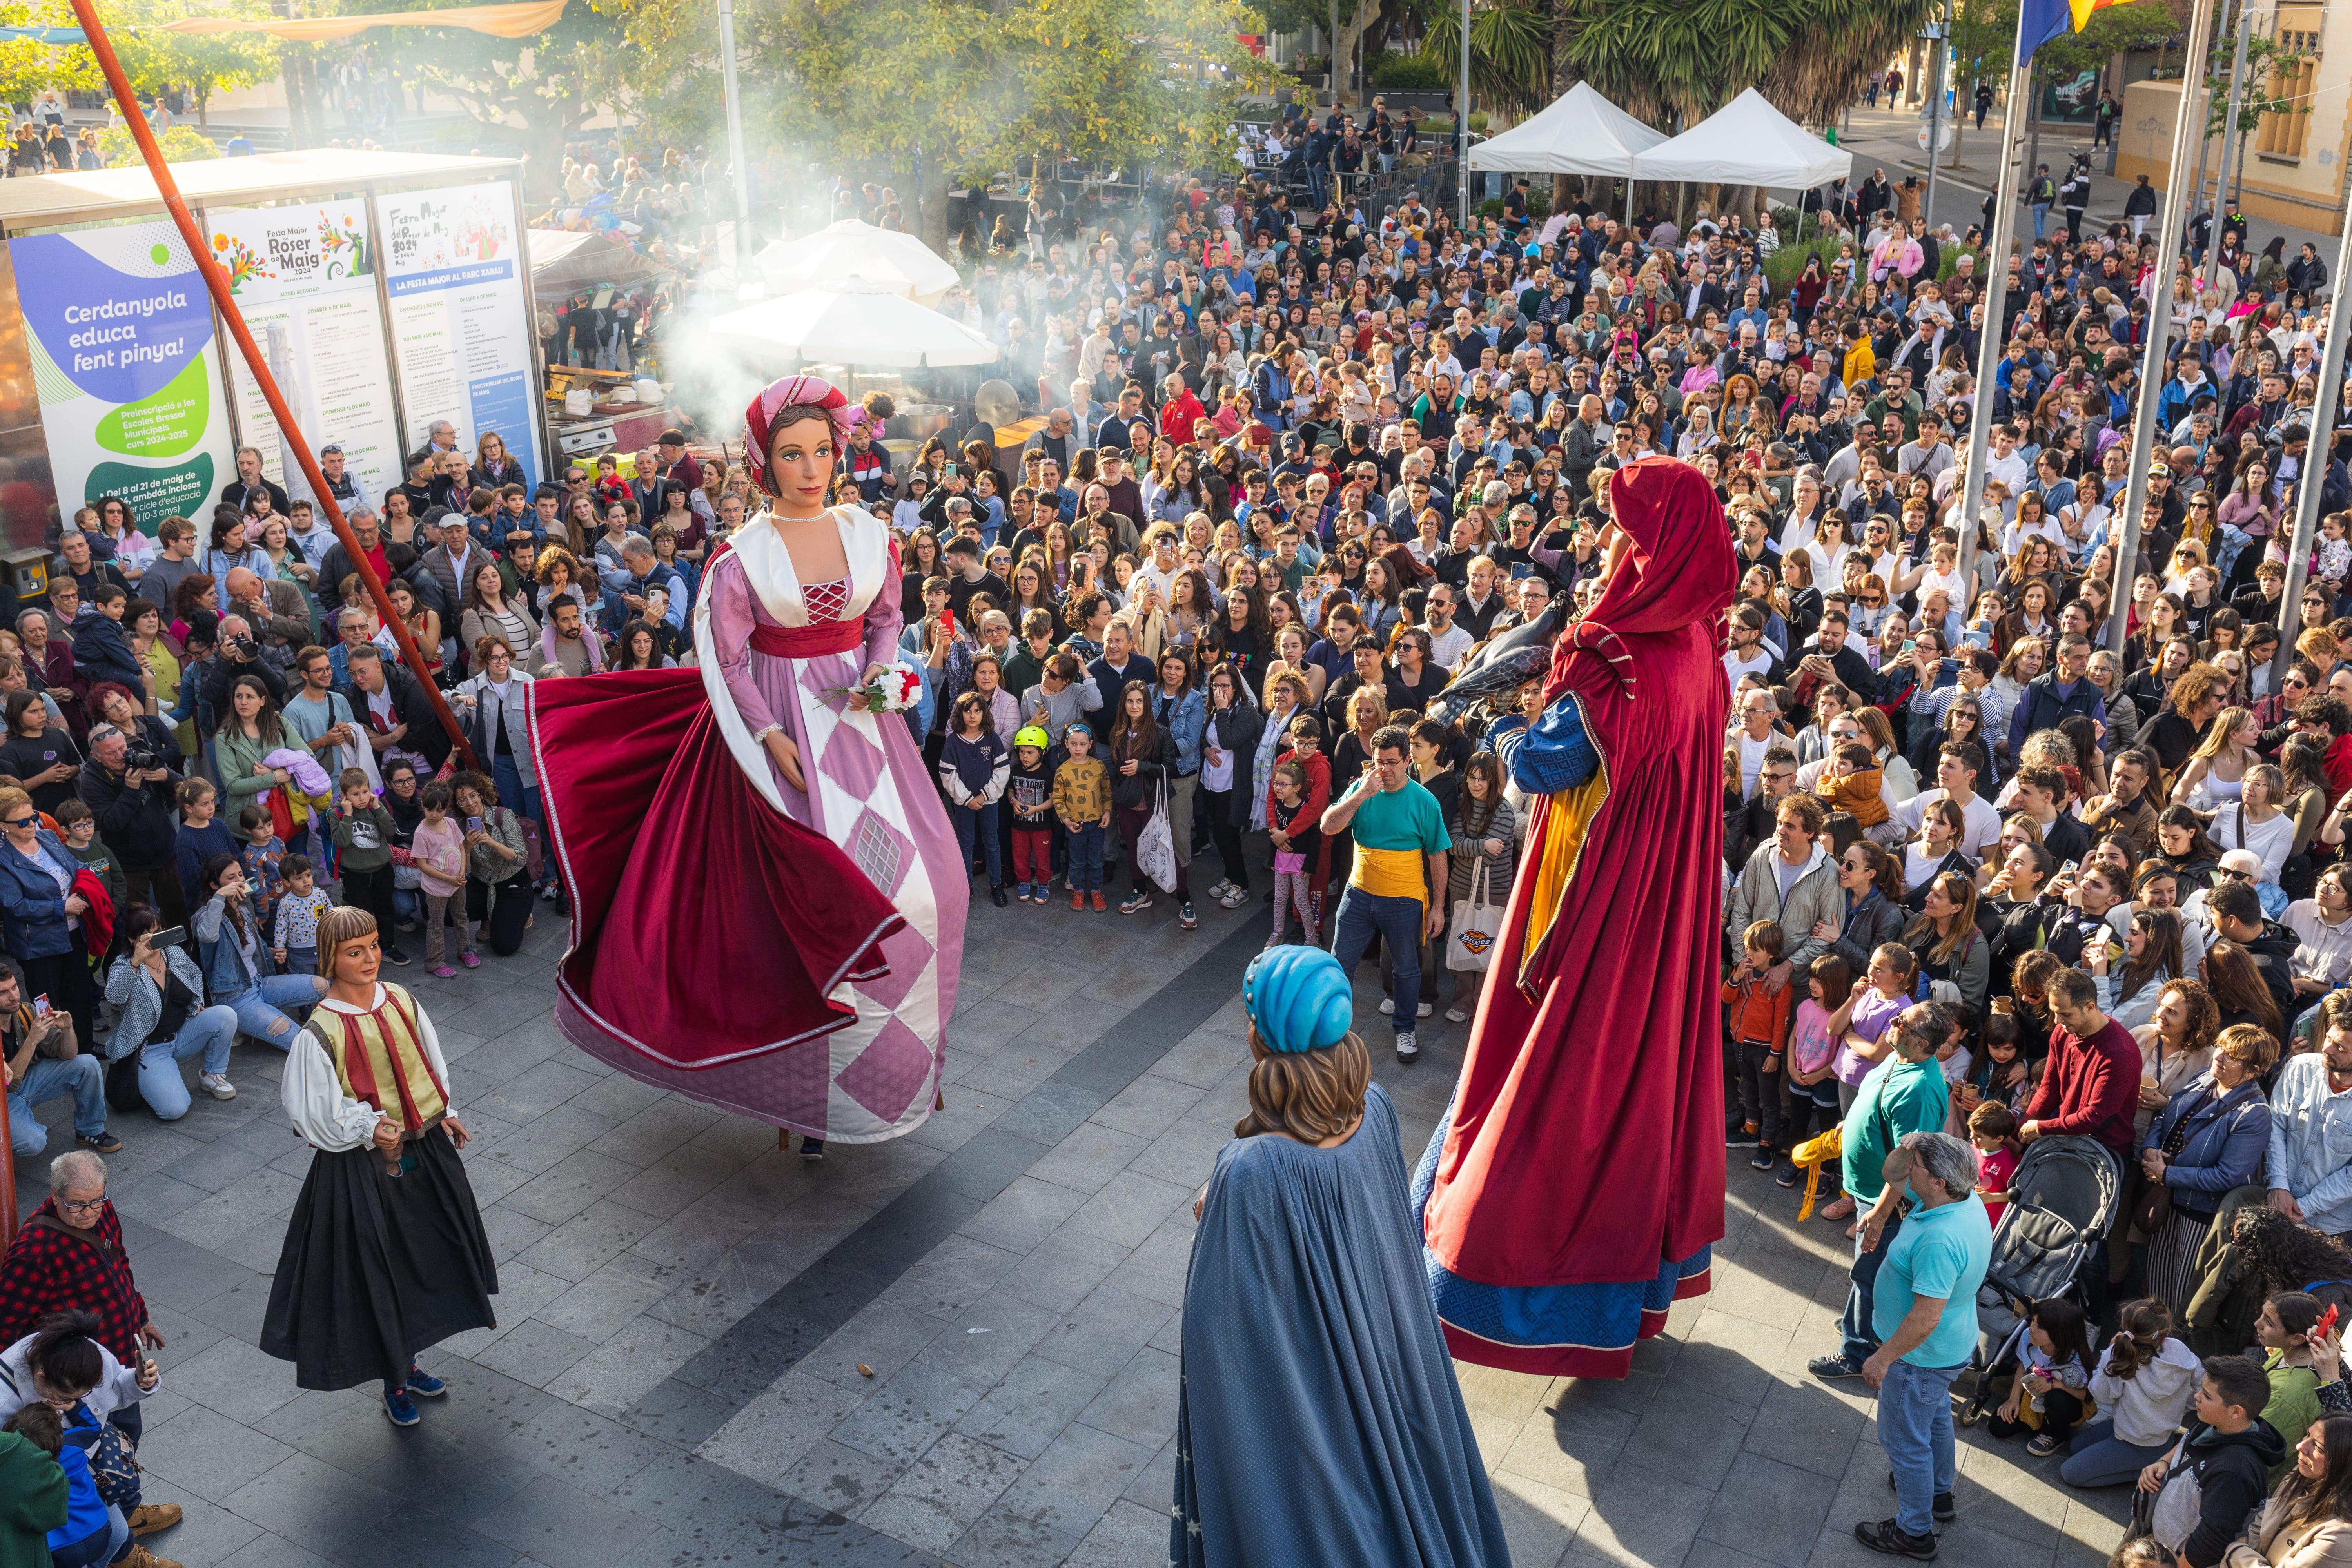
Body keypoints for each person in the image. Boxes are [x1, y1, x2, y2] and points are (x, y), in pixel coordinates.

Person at [528, 375, 961, 1157]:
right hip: (785, 729)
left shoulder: (871, 533)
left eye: (823, 450)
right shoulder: (740, 556)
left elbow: (890, 617)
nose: (811, 467)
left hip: (864, 730)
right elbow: (725, 661)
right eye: (792, 453)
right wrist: (766, 733)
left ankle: (891, 1078)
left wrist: (883, 671)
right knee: (798, 912)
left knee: (933, 889)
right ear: (765, 462)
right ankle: (808, 1098)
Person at [1416, 458, 1736, 1378]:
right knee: (1634, 1072)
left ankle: (1482, 1276)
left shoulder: (1617, 659)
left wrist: (1501, 727)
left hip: (1589, 897)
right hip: (1655, 905)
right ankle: (1626, 1296)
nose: (1613, 548)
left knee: (1544, 1071)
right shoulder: (1701, 652)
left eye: (1631, 533)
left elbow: (1545, 769)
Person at [1174, 946, 1510, 1568]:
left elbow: (1222, 1329)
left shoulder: (1251, 1170)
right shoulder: (1375, 1109)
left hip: (1315, 1395)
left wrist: (1220, 1205)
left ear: (1263, 1037)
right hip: (1385, 1356)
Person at [259, 907, 495, 1425]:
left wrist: (446, 1112)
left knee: (428, 1258)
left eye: (372, 946)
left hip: (425, 1150)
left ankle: (407, 1364)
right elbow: (312, 1111)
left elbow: (428, 1061)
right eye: (354, 951)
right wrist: (367, 1128)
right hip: (359, 1170)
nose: (369, 959)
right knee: (382, 1272)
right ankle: (395, 1378)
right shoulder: (318, 1033)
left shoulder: (402, 1000)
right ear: (331, 958)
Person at [1853, 1131, 1994, 1559]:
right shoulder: (1962, 1199)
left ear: (1935, 1181)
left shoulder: (1939, 1239)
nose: (1906, 1170)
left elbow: (1925, 1317)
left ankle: (1914, 1531)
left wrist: (1882, 1358)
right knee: (1934, 1420)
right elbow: (1892, 1174)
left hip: (1919, 1357)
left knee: (1904, 1441)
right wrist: (1910, 1147)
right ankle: (1939, 1495)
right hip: (1950, 1347)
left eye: (1916, 1165)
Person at [1813, 1001, 1960, 1384]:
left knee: (1869, 1274)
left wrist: (1879, 1214)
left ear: (1923, 1042)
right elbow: (1876, 1104)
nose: (1892, 1023)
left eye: (1902, 1023)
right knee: (1871, 1273)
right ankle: (1860, 1323)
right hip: (1866, 1189)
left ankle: (1858, 1348)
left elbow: (1910, 1164)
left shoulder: (1921, 1090)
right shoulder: (1900, 1056)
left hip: (1886, 1203)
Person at [1322, 722, 1448, 1064]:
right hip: (1359, 894)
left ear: (1407, 761)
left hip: (1405, 899)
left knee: (1407, 969)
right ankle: (1332, 1031)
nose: (1385, 770)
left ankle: (1405, 1030)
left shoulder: (1425, 802)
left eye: (1392, 762)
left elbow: (1438, 855)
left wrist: (1437, 907)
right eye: (1380, 762)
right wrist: (1362, 794)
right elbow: (1328, 826)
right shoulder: (1363, 790)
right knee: (1339, 963)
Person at [2136, 1355, 2285, 1568]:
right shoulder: (2214, 1422)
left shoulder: (2234, 1472)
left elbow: (2211, 1544)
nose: (2196, 1397)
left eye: (2206, 1395)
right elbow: (2190, 1443)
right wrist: (2164, 1461)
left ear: (2236, 1412)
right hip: (2161, 1546)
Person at [101, 906, 241, 1120]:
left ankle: (211, 1075)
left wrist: (197, 1004)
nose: (153, 940)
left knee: (226, 1015)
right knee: (174, 1110)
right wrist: (136, 962)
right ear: (132, 939)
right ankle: (153, 1078)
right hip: (151, 1049)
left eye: (158, 932)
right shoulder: (123, 965)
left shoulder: (173, 952)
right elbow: (114, 997)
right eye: (145, 935)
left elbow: (194, 975)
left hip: (181, 1034)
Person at [2267, 990, 2352, 1240]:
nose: (2327, 1049)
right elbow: (2276, 1126)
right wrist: (2278, 1185)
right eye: (2328, 1038)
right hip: (2276, 1204)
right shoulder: (2299, 1067)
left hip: (2329, 1228)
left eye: (2341, 1047)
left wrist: (2305, 1207)